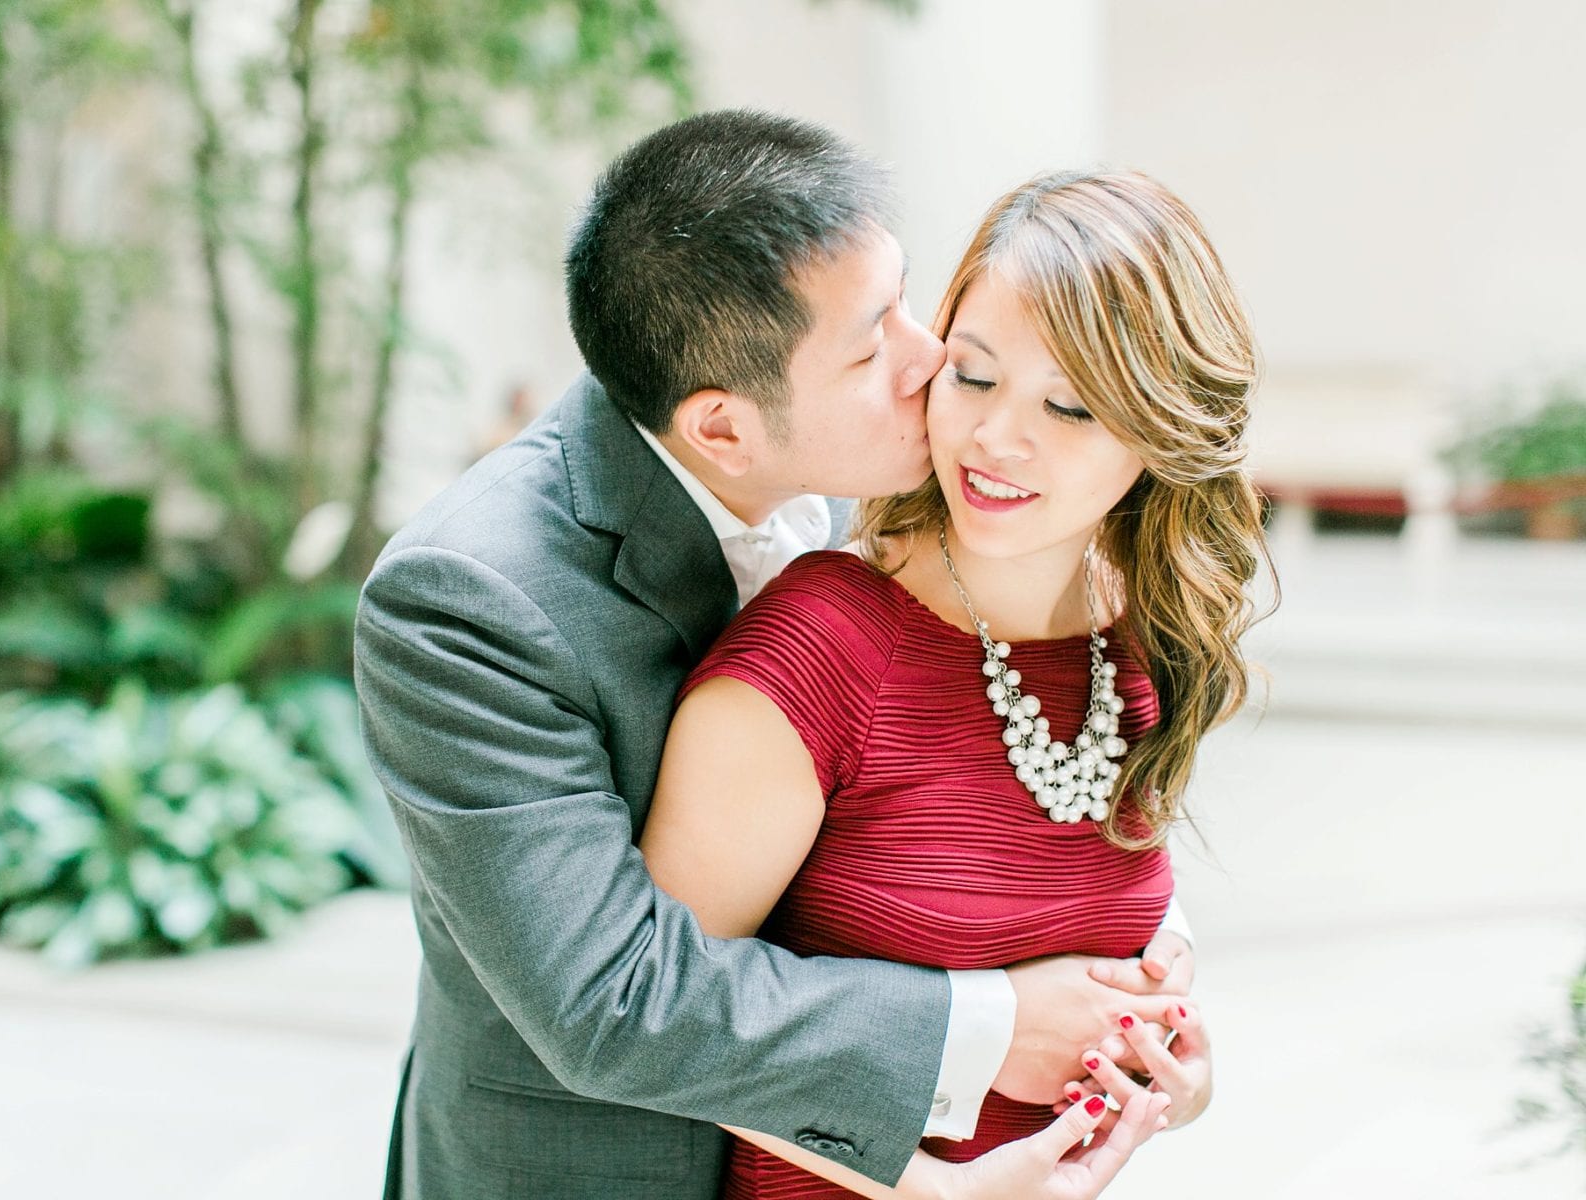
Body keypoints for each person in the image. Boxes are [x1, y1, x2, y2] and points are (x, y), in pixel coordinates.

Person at [355, 112, 1193, 1200]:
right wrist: (991, 1027)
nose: (927, 356)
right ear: (723, 430)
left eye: (902, 296)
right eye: (870, 343)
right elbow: (614, 999)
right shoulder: (468, 599)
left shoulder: (890, 468)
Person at [637, 168, 1271, 1198]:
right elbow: (664, 1020)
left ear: (1159, 432)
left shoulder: (1139, 633)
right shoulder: (820, 651)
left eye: (1068, 406)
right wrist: (918, 1185)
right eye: (972, 377)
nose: (995, 438)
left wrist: (1168, 1069)